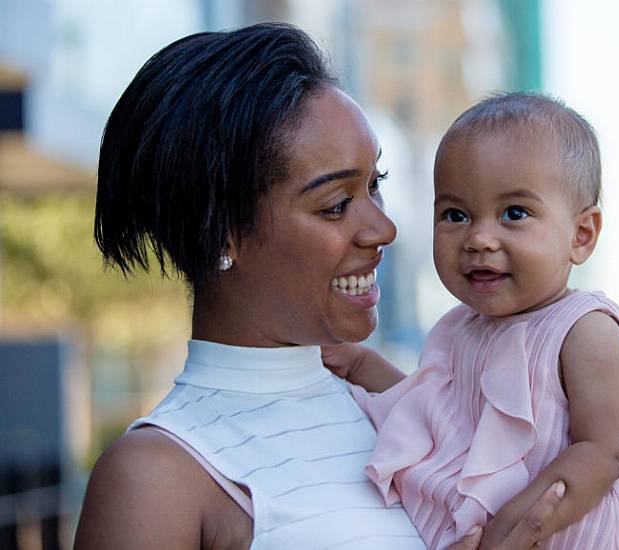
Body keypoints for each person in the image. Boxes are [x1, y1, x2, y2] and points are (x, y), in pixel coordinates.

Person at [75, 23, 564, 550]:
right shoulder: (156, 478)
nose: (384, 229)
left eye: (375, 185)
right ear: (221, 232)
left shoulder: (393, 406)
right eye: (335, 205)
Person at [323, 92, 619, 549]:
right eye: (456, 215)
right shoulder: (459, 329)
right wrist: (359, 364)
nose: (479, 238)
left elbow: (603, 451)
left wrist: (507, 534)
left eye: (514, 213)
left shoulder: (585, 330)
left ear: (581, 236)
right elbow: (432, 410)